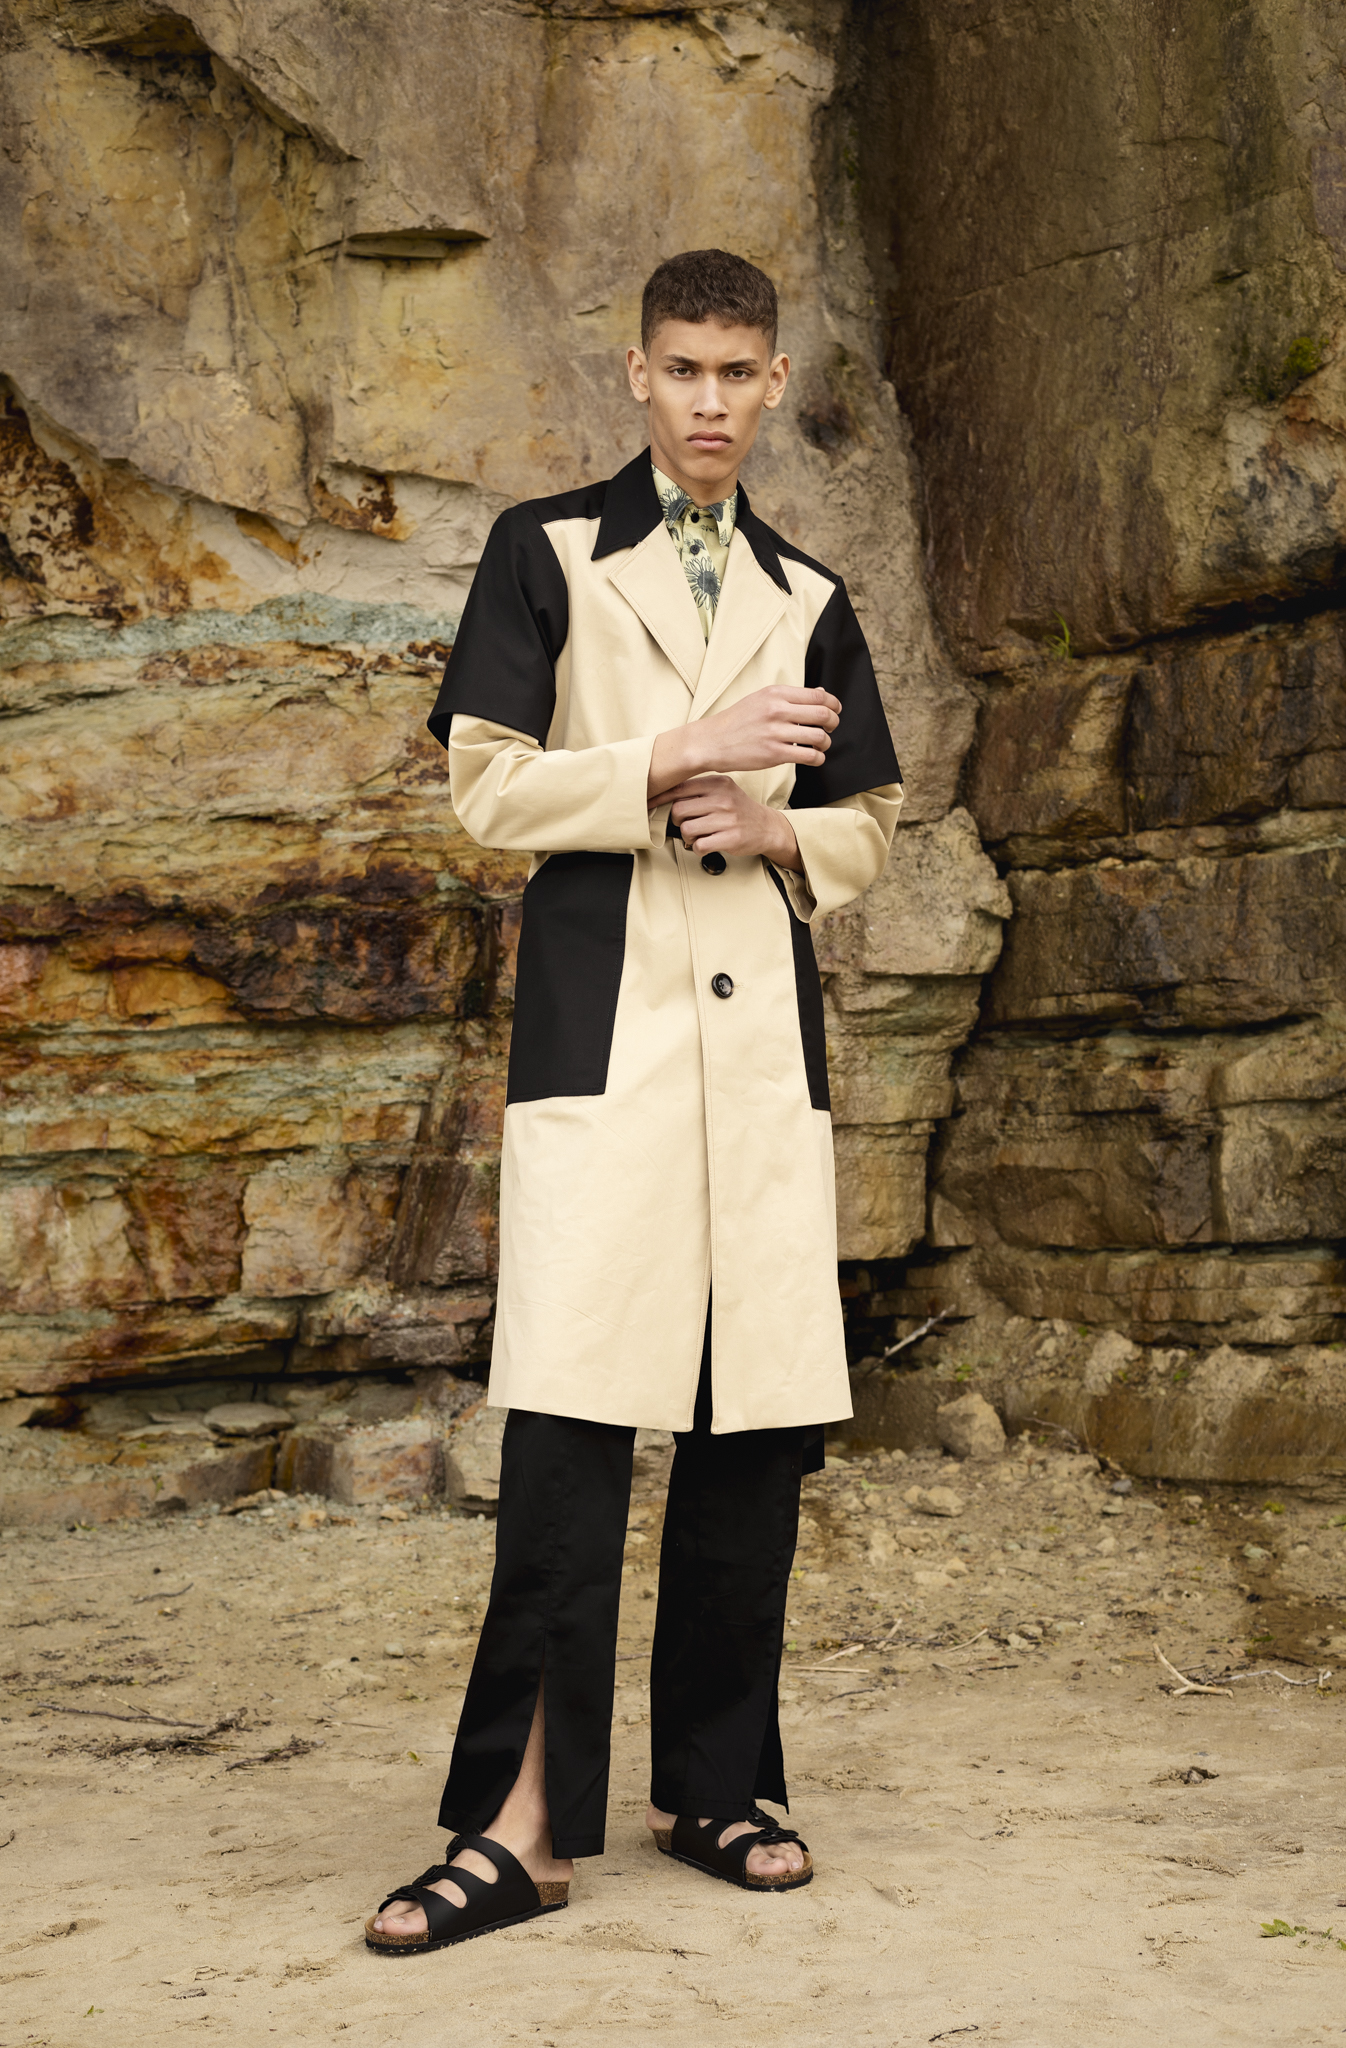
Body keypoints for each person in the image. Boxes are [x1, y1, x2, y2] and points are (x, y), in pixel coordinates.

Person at [365, 248, 903, 1956]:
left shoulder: (811, 590)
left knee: (754, 1431)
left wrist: (784, 830)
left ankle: (714, 1789)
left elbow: (870, 817)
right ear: (635, 374)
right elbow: (487, 789)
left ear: (774, 383)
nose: (708, 402)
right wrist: (676, 756)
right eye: (682, 369)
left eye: (737, 373)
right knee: (570, 1425)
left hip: (758, 1061)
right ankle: (517, 1827)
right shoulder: (544, 553)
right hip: (601, 1045)